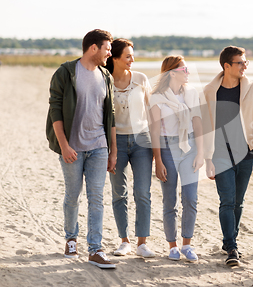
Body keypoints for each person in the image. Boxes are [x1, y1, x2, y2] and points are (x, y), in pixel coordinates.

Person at [46, 29, 117, 269]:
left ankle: (95, 249)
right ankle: (71, 239)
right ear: (93, 48)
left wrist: (112, 150)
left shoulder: (106, 76)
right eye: (107, 49)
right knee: (73, 196)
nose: (110, 53)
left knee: (96, 198)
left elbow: (111, 116)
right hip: (72, 148)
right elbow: (55, 109)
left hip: (99, 146)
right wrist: (64, 145)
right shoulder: (66, 72)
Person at [202, 46, 253, 266]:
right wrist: (207, 160)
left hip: (245, 153)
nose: (245, 66)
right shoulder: (210, 91)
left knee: (238, 202)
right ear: (227, 65)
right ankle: (231, 247)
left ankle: (230, 240)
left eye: (246, 62)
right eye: (240, 62)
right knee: (227, 201)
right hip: (219, 154)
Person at [150, 56, 204, 262]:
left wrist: (201, 152)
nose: (188, 72)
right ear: (172, 72)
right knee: (170, 200)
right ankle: (172, 246)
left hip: (189, 147)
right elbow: (154, 131)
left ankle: (187, 245)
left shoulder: (191, 93)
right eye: (185, 69)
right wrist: (158, 160)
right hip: (166, 148)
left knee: (190, 198)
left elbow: (197, 122)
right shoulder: (157, 97)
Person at [105, 38, 155, 258]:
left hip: (142, 141)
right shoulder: (104, 80)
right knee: (119, 193)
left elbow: (153, 112)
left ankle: (142, 242)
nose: (132, 59)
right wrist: (110, 149)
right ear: (115, 58)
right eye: (127, 56)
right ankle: (124, 241)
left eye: (132, 55)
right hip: (116, 142)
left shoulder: (141, 79)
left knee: (143, 192)